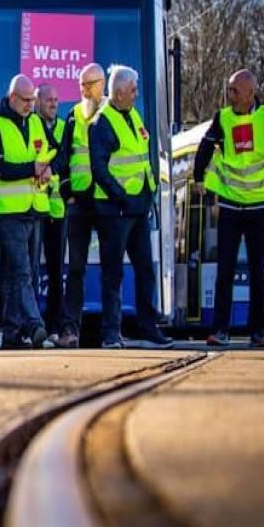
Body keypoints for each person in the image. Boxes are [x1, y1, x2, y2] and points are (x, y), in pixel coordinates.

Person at [193, 69, 264, 347]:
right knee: (225, 269)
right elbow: (205, 146)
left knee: (258, 270)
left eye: (235, 90)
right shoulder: (222, 118)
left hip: (259, 206)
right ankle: (220, 330)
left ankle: (257, 332)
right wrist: (198, 178)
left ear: (250, 92)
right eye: (229, 89)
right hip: (230, 205)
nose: (230, 95)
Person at [90, 65, 173, 349]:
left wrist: (148, 193)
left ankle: (148, 328)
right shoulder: (103, 122)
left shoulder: (133, 114)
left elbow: (140, 157)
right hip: (115, 211)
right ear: (120, 92)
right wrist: (121, 197)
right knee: (113, 273)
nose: (136, 94)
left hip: (138, 208)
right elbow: (99, 169)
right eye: (133, 90)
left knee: (145, 270)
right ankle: (111, 333)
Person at [0, 74, 56, 349]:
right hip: (9, 211)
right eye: (25, 100)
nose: (29, 105)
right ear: (12, 97)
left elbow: (51, 151)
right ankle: (35, 324)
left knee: (20, 273)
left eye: (31, 100)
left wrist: (48, 168)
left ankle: (10, 331)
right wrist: (32, 169)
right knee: (22, 271)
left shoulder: (36, 122)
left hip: (34, 207)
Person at [56, 63, 106, 349]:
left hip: (106, 201)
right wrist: (68, 194)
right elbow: (63, 158)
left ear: (102, 84)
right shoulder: (73, 116)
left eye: (89, 84)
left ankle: (112, 332)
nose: (85, 90)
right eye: (81, 85)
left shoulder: (113, 114)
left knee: (112, 268)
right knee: (75, 268)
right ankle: (70, 329)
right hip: (79, 203)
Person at [35, 82, 66, 345]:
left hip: (57, 210)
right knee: (32, 269)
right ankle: (34, 325)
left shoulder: (64, 127)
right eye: (49, 100)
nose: (54, 104)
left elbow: (67, 158)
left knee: (56, 271)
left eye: (56, 100)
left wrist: (51, 169)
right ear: (37, 102)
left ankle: (55, 326)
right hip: (34, 207)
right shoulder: (32, 125)